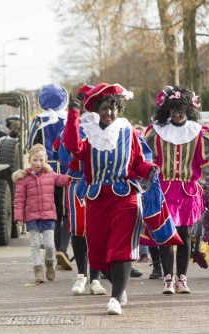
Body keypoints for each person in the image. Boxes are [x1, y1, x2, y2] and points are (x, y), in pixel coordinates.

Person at [63, 83, 156, 315]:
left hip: (125, 196)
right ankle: (119, 287)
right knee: (98, 254)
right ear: (97, 110)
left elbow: (138, 162)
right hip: (97, 198)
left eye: (113, 108)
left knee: (121, 247)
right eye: (104, 108)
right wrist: (73, 114)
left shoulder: (129, 132)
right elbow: (72, 147)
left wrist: (150, 170)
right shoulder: (89, 132)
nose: (109, 113)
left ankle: (115, 298)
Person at [145, 86, 209, 295]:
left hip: (188, 191)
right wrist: (143, 187)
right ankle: (168, 279)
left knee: (185, 236)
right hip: (163, 190)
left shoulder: (199, 132)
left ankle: (182, 278)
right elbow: (146, 162)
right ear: (168, 110)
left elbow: (208, 164)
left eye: (182, 110)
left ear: (189, 109)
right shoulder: (155, 132)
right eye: (174, 110)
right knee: (165, 235)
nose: (178, 114)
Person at [57, 85, 108, 295]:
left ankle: (95, 278)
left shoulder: (110, 127)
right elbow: (64, 156)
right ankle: (81, 275)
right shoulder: (73, 127)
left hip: (100, 182)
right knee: (78, 230)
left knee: (98, 231)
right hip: (78, 181)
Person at [27, 83, 73, 270]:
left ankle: (54, 250)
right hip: (68, 169)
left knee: (52, 213)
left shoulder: (39, 120)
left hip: (46, 170)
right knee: (67, 212)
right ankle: (63, 249)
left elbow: (31, 145)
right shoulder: (70, 118)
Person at [13, 144, 69, 283]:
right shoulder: (23, 178)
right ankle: (38, 270)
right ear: (29, 160)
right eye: (35, 160)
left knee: (49, 245)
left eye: (41, 160)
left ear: (46, 160)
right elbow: (19, 200)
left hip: (48, 216)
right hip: (31, 217)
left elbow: (63, 180)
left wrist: (73, 172)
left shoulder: (51, 175)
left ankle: (49, 263)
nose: (38, 163)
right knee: (35, 245)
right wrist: (19, 217)